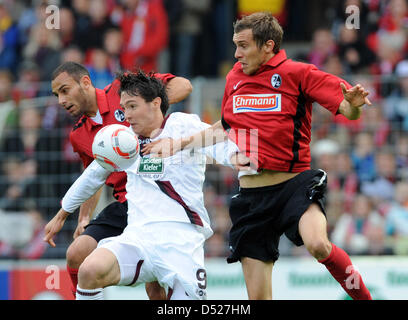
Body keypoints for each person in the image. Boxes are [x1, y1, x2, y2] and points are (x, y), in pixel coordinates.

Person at [143, 12, 373, 300]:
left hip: (294, 187)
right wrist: (179, 144)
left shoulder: (299, 73)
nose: (237, 54)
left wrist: (353, 106)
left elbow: (348, 110)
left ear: (268, 45)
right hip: (252, 199)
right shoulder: (234, 78)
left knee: (318, 245)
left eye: (243, 45)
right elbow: (225, 127)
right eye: (235, 45)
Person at [44, 70, 239, 299]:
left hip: (180, 241)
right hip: (138, 237)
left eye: (133, 107)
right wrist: (61, 214)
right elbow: (93, 175)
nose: (126, 115)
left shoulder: (183, 126)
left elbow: (230, 143)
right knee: (89, 269)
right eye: (124, 108)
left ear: (156, 103)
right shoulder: (124, 140)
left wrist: (241, 158)